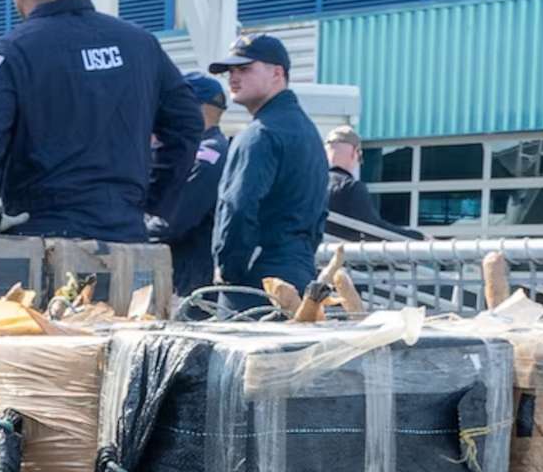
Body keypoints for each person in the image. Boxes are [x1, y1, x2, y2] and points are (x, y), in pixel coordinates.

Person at [0, 0, 200, 240]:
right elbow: (188, 123)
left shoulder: (13, 53)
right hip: (127, 238)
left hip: (43, 244)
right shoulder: (140, 44)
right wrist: (153, 201)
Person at [209, 34, 328, 301]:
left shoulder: (259, 135)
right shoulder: (309, 133)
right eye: (230, 70)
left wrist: (229, 269)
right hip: (298, 272)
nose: (233, 77)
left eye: (245, 68)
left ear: (277, 73)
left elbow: (238, 208)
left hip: (256, 280)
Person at [146, 73, 229, 299]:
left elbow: (172, 221)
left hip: (192, 283)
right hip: (188, 277)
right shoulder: (201, 150)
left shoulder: (206, 155)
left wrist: (127, 232)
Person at [325, 122, 409, 237]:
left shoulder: (309, 186)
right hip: (343, 253)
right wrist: (417, 237)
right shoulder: (350, 187)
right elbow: (375, 230)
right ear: (354, 153)